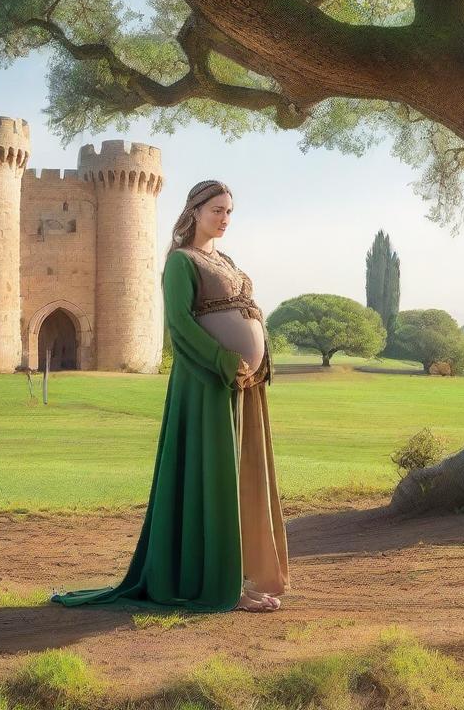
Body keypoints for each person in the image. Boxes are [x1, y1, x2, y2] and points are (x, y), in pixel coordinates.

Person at [52, 179, 289, 613]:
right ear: (194, 211)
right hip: (205, 386)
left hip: (241, 389)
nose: (224, 218)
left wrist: (258, 363)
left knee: (238, 481)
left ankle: (239, 576)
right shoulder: (181, 262)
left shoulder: (226, 260)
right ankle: (221, 588)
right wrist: (223, 362)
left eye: (229, 211)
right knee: (214, 480)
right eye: (217, 209)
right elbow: (179, 326)